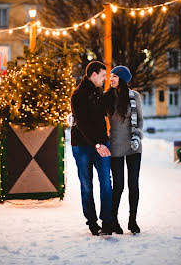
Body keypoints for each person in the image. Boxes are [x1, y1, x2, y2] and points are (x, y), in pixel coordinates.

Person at [71, 61, 112, 236]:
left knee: (106, 183)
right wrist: (97, 144)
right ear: (93, 75)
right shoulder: (78, 94)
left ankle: (107, 221)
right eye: (103, 75)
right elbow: (81, 124)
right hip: (82, 146)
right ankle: (92, 222)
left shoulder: (99, 92)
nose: (105, 79)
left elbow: (105, 116)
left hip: (102, 144)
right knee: (87, 185)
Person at [104, 66, 143, 235]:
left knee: (133, 185)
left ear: (123, 79)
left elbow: (140, 120)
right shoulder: (106, 97)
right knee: (118, 185)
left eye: (114, 76)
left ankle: (132, 220)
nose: (111, 79)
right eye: (110, 76)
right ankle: (113, 220)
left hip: (133, 146)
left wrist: (137, 137)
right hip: (115, 146)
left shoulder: (134, 96)